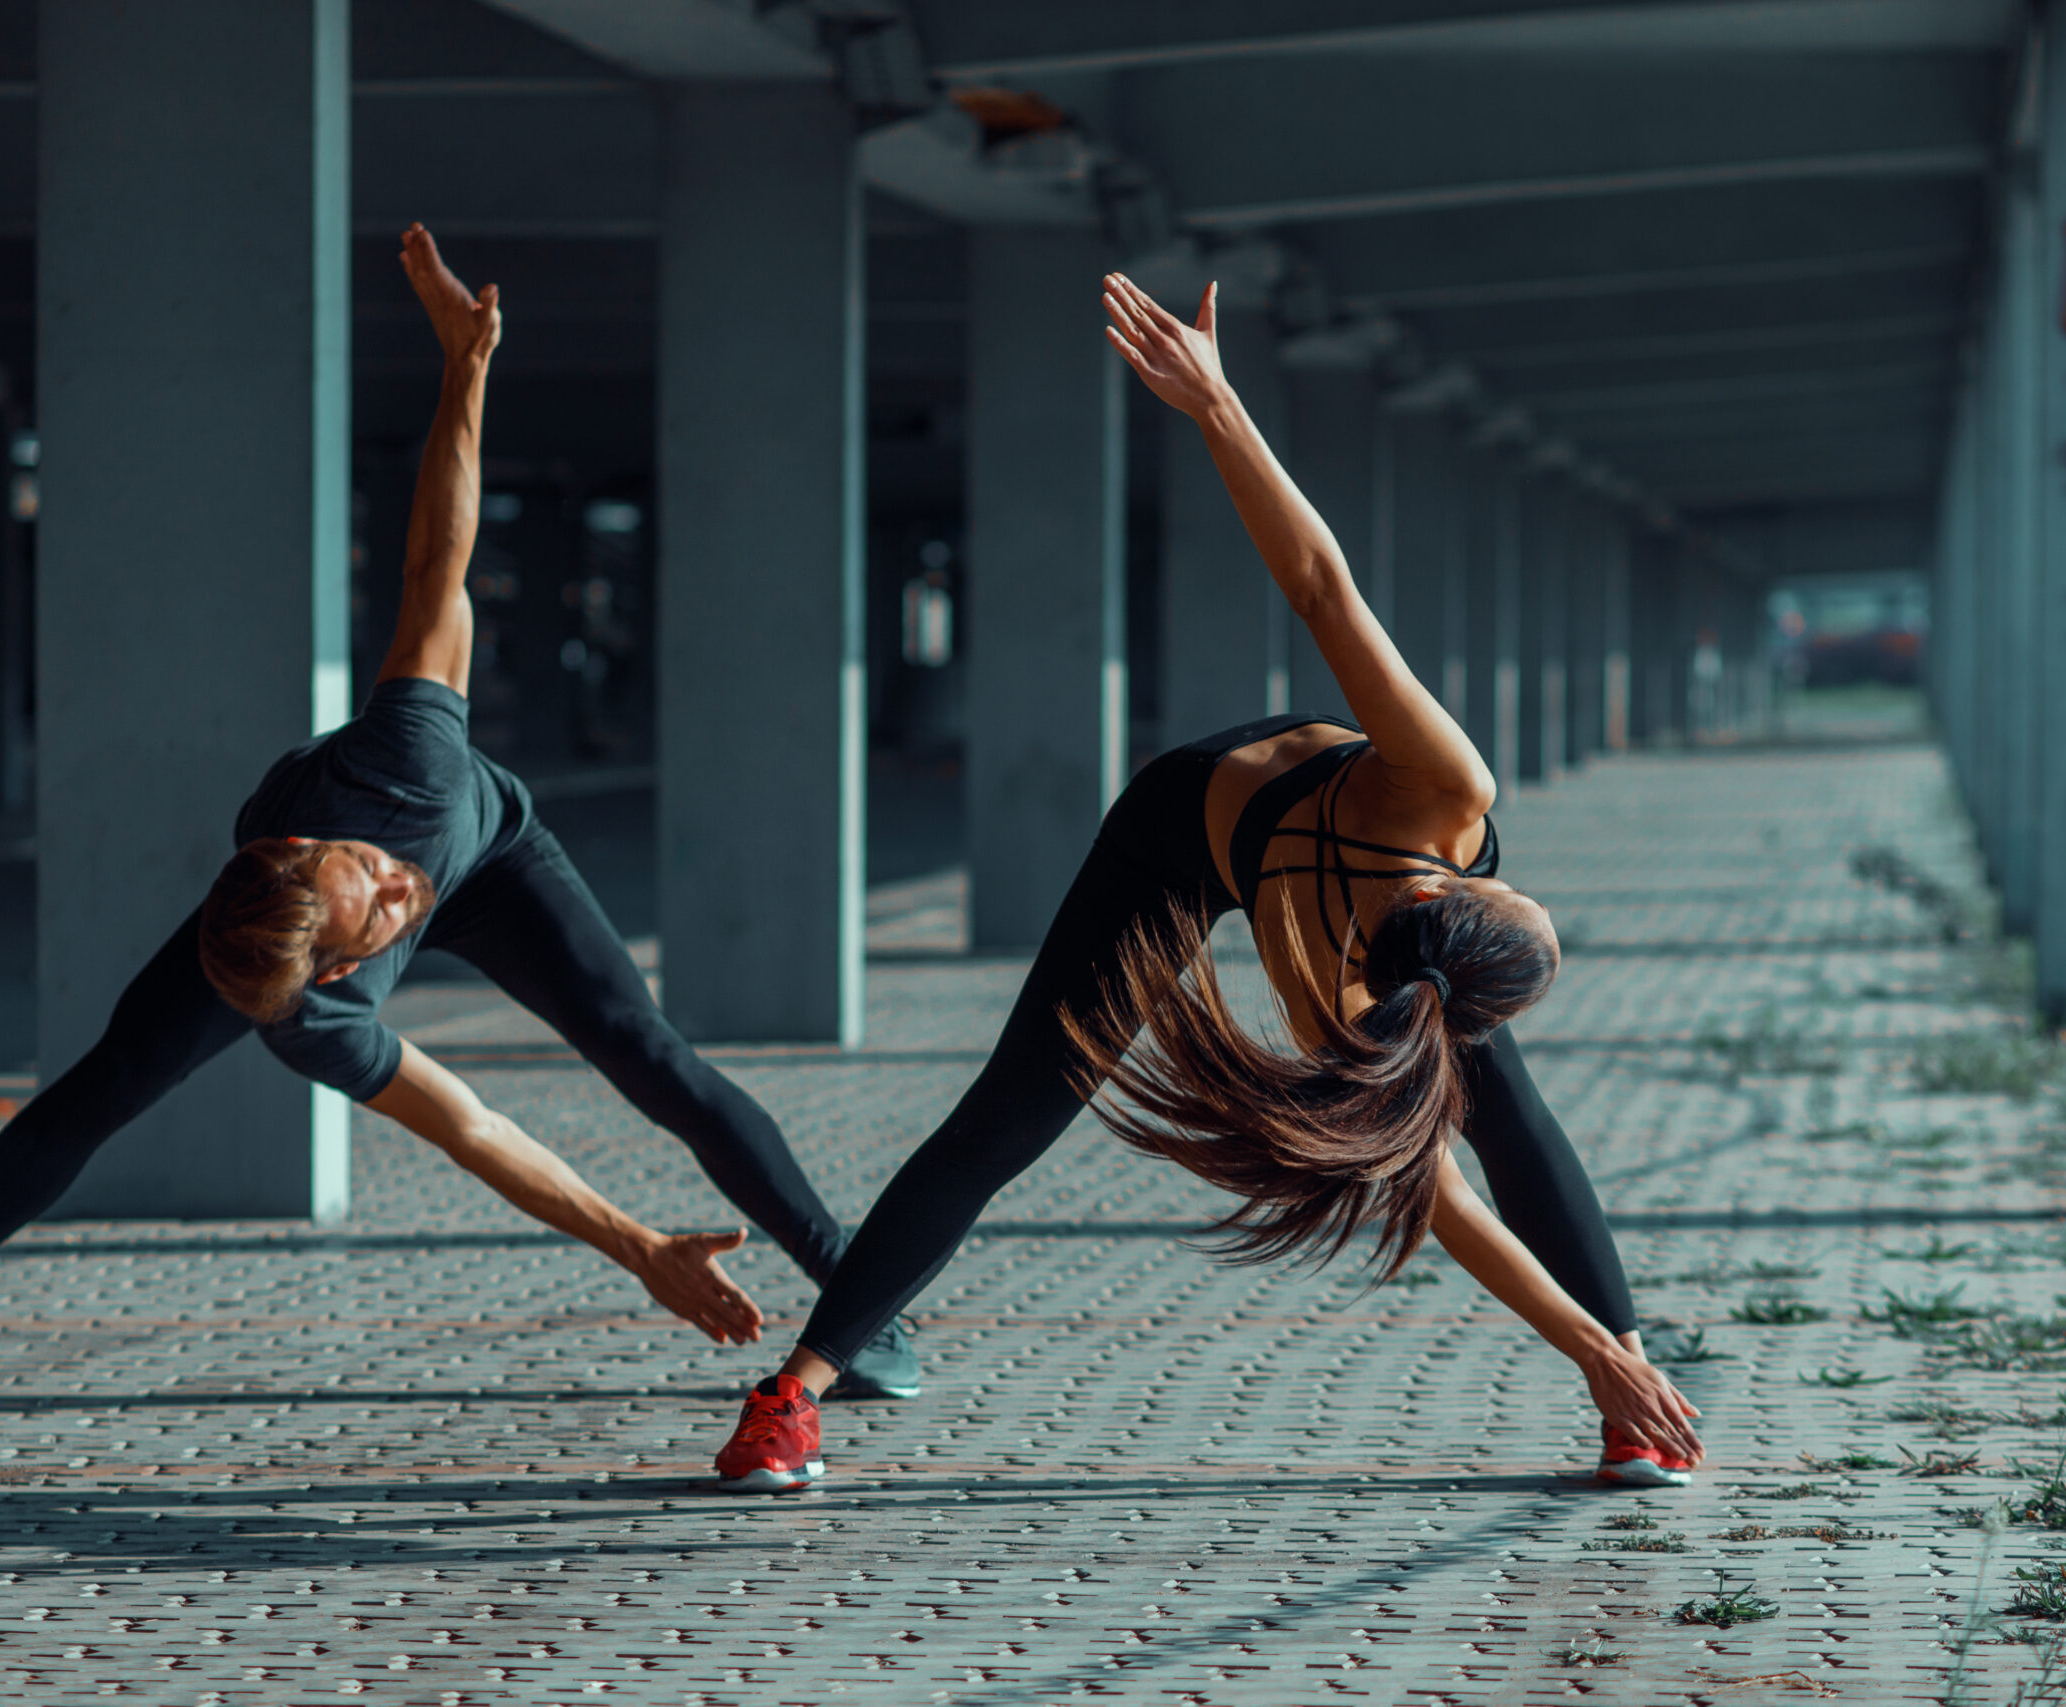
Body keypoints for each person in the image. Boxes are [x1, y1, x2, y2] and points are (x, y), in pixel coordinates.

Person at [0, 226, 917, 1406]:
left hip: (493, 846)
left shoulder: (397, 776)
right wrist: (641, 1250)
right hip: (278, 946)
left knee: (649, 1055)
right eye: (370, 911)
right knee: (109, 1078)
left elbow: (439, 559)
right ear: (335, 975)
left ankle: (856, 1288)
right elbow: (475, 1131)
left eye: (357, 868)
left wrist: (465, 369)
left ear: (297, 845)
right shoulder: (302, 1013)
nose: (390, 887)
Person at [710, 270, 1702, 1494]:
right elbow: (1317, 586)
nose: (1526, 887)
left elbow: (1436, 1189)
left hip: (1301, 872)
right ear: (1448, 899)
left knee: (1507, 1111)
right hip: (1179, 828)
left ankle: (1636, 1397)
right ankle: (786, 1398)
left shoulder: (1396, 923)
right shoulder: (1430, 810)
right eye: (1522, 904)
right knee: (1012, 1114)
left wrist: (1600, 1357)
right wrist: (1215, 405)